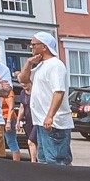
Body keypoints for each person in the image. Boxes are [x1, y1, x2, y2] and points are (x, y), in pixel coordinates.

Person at [19, 32, 72, 166]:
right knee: (43, 160)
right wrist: (29, 62)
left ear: (44, 47)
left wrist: (50, 116)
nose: (31, 48)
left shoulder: (56, 65)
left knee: (56, 161)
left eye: (33, 45)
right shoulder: (40, 66)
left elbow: (59, 92)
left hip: (55, 123)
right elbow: (23, 79)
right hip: (42, 122)